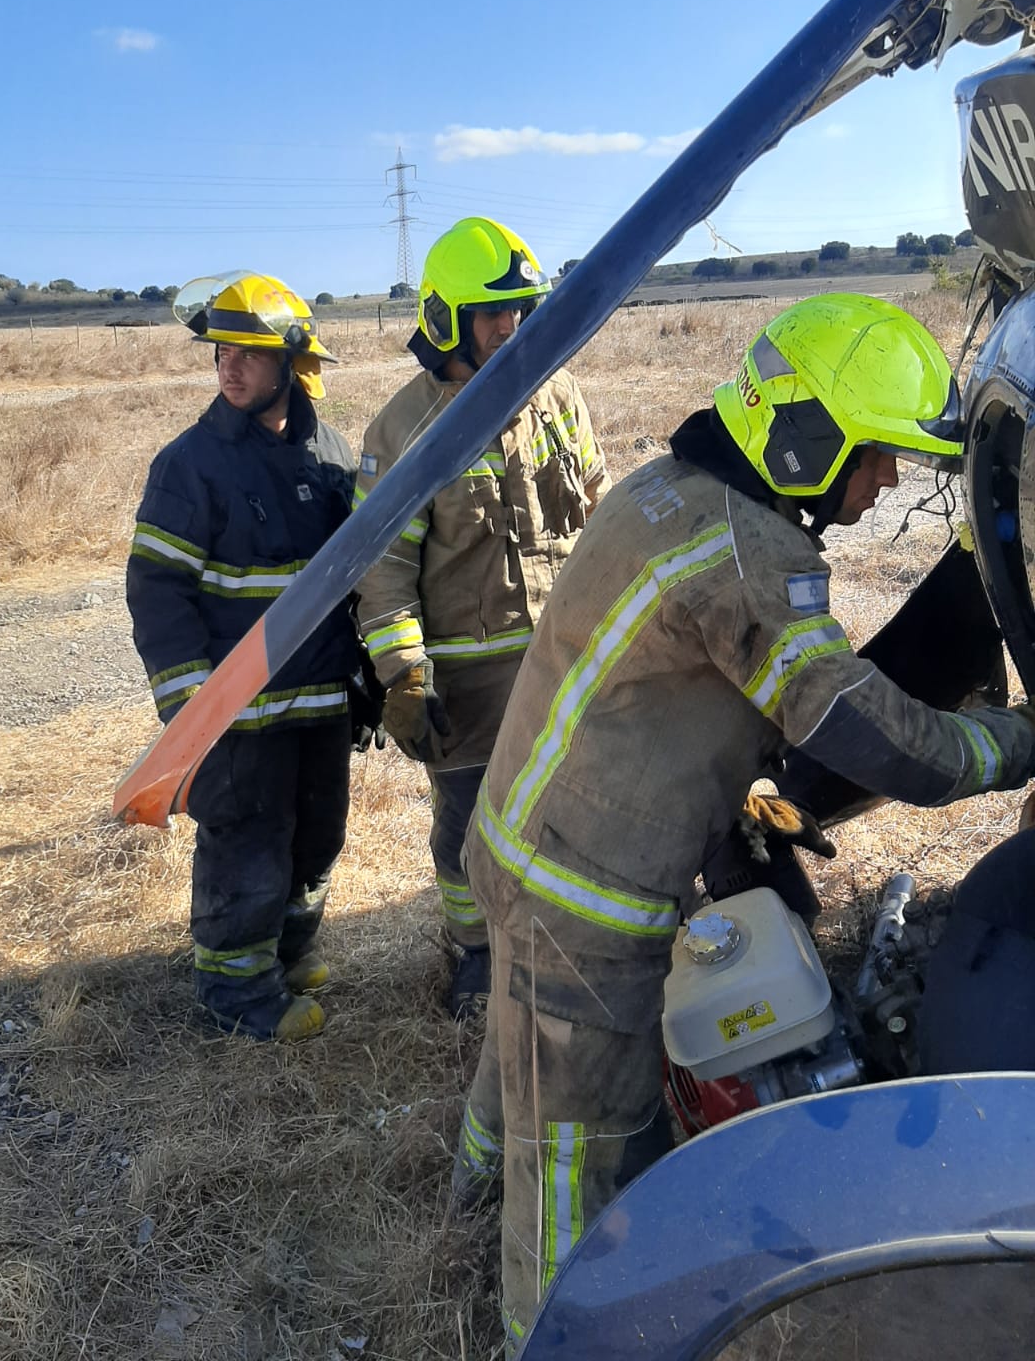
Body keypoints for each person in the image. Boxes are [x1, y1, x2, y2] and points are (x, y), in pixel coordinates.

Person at [457, 291, 1035, 1350]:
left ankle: (465, 1181)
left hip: (520, 846)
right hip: (583, 898)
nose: (887, 484)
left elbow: (698, 702)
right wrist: (1013, 741)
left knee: (518, 1042)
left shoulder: (666, 494)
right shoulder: (749, 558)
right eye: (876, 456)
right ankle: (549, 1328)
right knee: (577, 1153)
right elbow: (872, 731)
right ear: (808, 436)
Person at [354, 216, 610, 1017]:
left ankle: (574, 945)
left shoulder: (559, 394)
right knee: (468, 830)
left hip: (566, 661)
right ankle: (475, 956)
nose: (512, 327)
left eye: (521, 310)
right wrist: (404, 675)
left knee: (579, 817)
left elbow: (600, 515)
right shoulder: (402, 430)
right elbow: (383, 569)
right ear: (444, 319)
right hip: (467, 682)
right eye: (493, 313)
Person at [127, 270, 365, 1043]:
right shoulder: (188, 466)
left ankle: (287, 953)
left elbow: (361, 579)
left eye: (248, 353)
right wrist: (192, 711)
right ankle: (237, 996)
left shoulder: (331, 454)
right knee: (248, 841)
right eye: (221, 351)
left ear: (291, 365)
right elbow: (158, 594)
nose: (228, 366)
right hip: (237, 716)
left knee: (317, 835)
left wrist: (368, 679)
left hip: (320, 702)